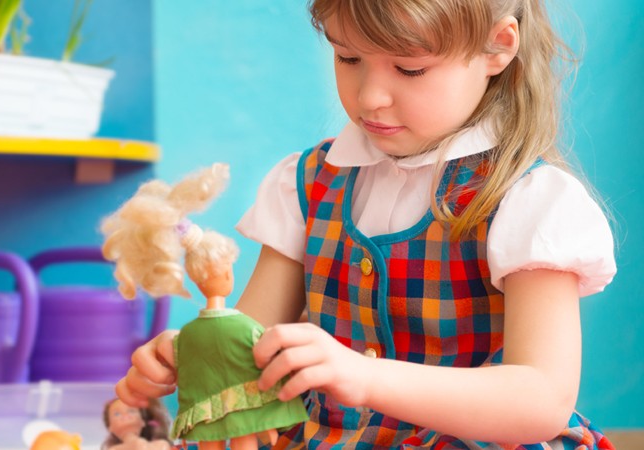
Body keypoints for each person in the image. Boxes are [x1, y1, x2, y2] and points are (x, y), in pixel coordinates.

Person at [113, 0, 617, 448]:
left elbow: (540, 401)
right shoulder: (307, 182)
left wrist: (365, 376)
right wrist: (198, 354)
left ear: (497, 48)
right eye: (348, 57)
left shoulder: (530, 200)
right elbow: (254, 343)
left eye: (410, 68)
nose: (371, 96)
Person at [101, 164, 307, 450]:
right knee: (241, 438)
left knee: (212, 440)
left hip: (207, 414)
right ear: (226, 275)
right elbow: (259, 357)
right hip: (250, 411)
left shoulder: (193, 334)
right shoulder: (307, 183)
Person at [100, 398, 172, 450]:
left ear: (142, 422)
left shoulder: (161, 445)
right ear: (110, 428)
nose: (125, 415)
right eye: (117, 414)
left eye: (131, 411)